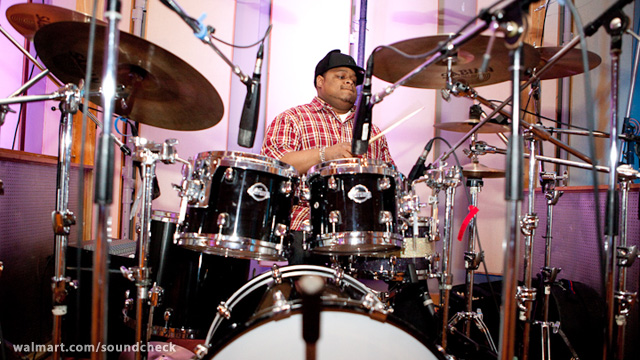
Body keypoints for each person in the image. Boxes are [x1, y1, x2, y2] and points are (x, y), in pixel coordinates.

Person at [260, 49, 395, 264]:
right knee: (311, 285)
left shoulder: (372, 132)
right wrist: (326, 154)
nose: (350, 83)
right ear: (320, 81)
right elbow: (275, 166)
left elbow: (390, 183)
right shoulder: (292, 118)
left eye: (353, 80)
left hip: (364, 228)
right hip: (307, 223)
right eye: (341, 77)